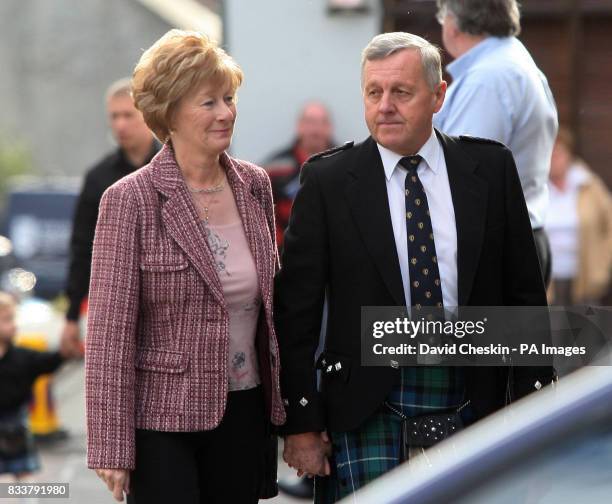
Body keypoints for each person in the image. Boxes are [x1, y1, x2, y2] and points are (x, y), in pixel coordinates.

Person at [275, 32, 555, 502]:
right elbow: (295, 312)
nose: (385, 106)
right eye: (373, 92)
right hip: (366, 402)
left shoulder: (489, 168)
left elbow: (524, 297)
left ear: (438, 95)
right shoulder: (327, 181)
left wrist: (535, 407)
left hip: (473, 392)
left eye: (401, 92)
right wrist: (300, 423)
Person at [85, 30, 285, 503]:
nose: (226, 113)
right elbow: (110, 333)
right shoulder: (128, 200)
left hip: (244, 410)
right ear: (170, 112)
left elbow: (274, 311)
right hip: (161, 423)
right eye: (208, 102)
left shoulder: (254, 185)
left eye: (229, 99)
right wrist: (110, 446)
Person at [433, 0, 558, 286]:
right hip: (516, 240)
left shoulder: (488, 79)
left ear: (452, 22)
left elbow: (462, 178)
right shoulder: (510, 64)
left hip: (496, 249)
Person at [61, 78, 160, 352]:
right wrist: (71, 315)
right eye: (114, 116)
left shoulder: (175, 167)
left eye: (128, 115)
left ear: (147, 115)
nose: (120, 125)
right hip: (115, 301)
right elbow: (82, 247)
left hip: (168, 300)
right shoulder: (98, 178)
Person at [0, 292, 78, 478]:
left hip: (16, 425)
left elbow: (47, 362)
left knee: (24, 475)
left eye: (13, 319)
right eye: (7, 320)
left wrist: (64, 353)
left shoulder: (22, 357)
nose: (14, 325)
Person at [546, 128, 612, 306]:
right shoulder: (536, 188)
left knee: (585, 329)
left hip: (585, 274)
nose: (554, 159)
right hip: (547, 279)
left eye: (559, 153)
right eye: (549, 153)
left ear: (569, 155)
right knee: (552, 329)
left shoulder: (588, 184)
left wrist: (603, 263)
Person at [264, 101, 334, 249]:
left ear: (330, 128)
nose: (316, 130)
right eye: (310, 122)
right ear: (299, 126)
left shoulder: (346, 164)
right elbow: (262, 214)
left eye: (322, 123)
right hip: (287, 256)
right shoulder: (276, 168)